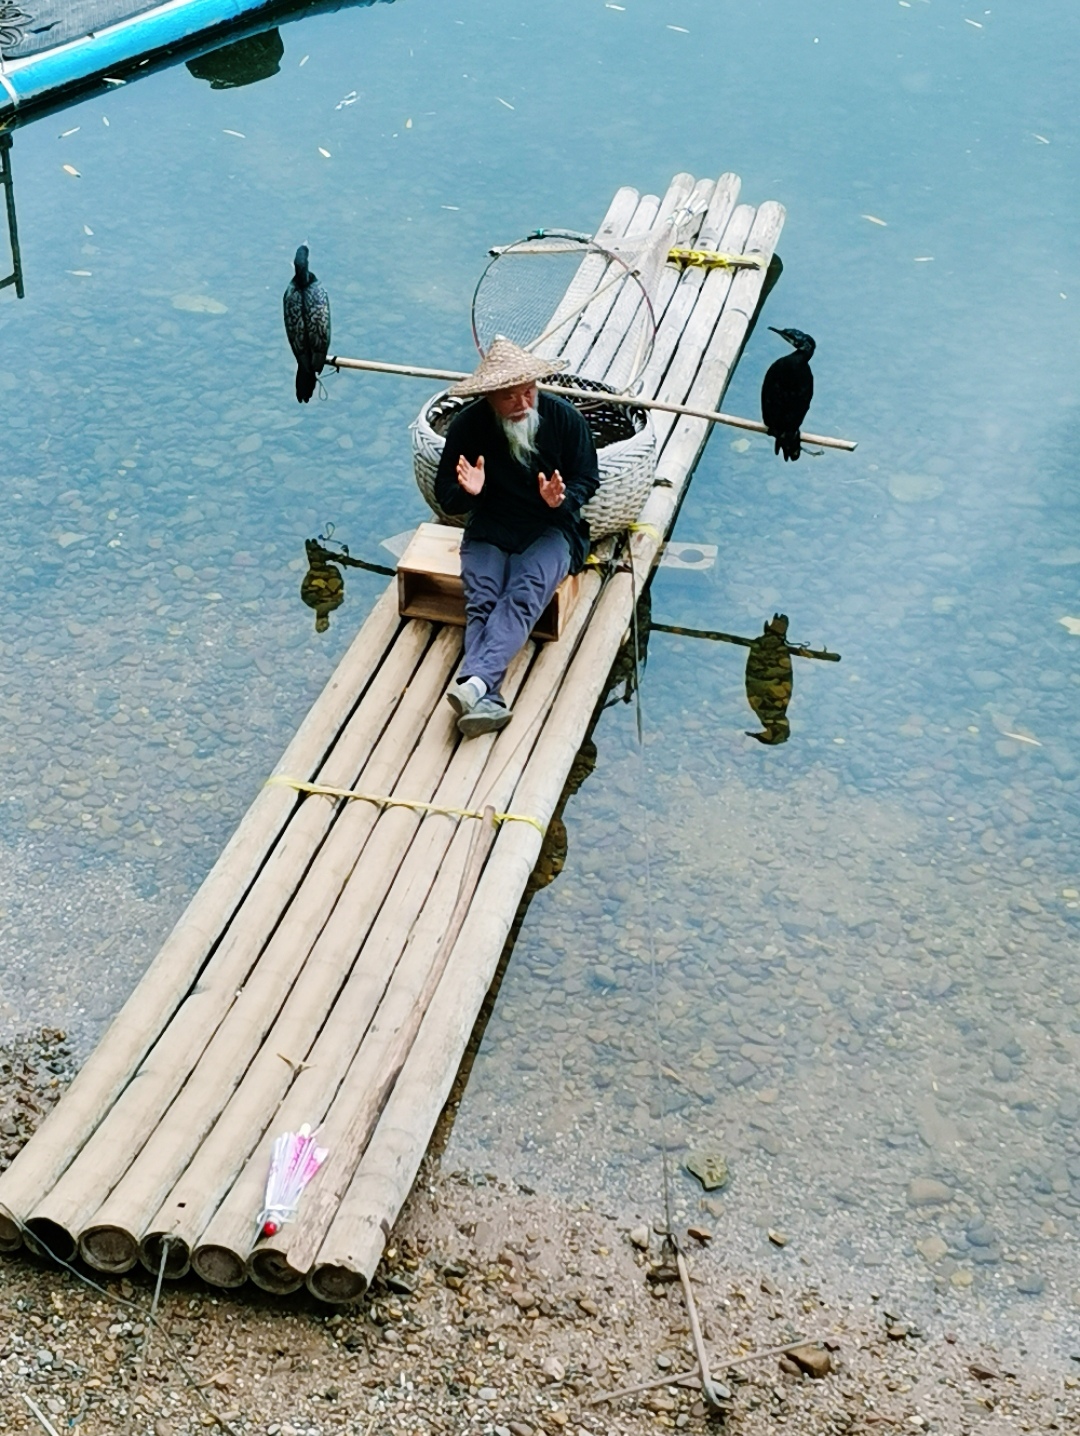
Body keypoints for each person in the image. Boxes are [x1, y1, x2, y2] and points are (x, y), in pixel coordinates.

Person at [434, 337, 600, 737]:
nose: (524, 404)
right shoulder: (468, 426)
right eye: (510, 397)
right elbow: (446, 496)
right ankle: (486, 699)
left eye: (529, 392)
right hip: (491, 524)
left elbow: (587, 479)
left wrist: (560, 499)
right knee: (483, 597)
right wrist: (468, 493)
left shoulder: (564, 420)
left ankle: (473, 683)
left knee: (525, 593)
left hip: (550, 527)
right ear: (490, 396)